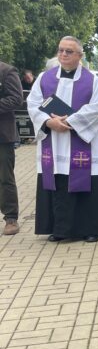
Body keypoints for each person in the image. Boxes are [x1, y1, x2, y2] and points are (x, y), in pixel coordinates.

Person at [27, 36, 98, 242]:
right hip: (54, 142)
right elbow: (32, 104)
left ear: (80, 56)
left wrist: (70, 121)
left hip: (83, 142)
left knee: (88, 183)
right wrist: (48, 122)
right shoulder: (44, 78)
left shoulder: (93, 81)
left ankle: (91, 229)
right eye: (60, 50)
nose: (63, 55)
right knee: (58, 182)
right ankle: (60, 229)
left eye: (69, 51)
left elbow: (97, 107)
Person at [0, 60, 22, 235]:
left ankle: (11, 218)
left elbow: (16, 99)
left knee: (5, 178)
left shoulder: (7, 70)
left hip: (2, 136)